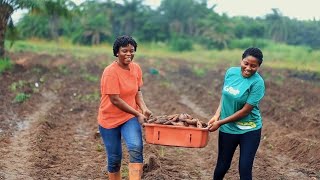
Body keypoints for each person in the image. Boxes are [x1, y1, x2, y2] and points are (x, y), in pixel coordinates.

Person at [97, 35, 152, 180]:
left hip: (129, 117)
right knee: (114, 158)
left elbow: (137, 91)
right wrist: (137, 113)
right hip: (109, 119)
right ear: (116, 52)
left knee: (136, 148)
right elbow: (115, 100)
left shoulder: (136, 68)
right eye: (124, 51)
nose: (129, 54)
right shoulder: (110, 72)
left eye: (131, 50)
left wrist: (144, 108)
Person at [208, 47, 265, 180]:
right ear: (241, 61)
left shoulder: (258, 83)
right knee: (222, 166)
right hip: (228, 129)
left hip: (249, 130)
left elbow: (245, 111)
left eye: (253, 66)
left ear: (258, 67)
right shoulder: (231, 73)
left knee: (244, 168)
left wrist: (220, 122)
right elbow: (225, 95)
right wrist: (217, 115)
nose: (248, 68)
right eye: (246, 63)